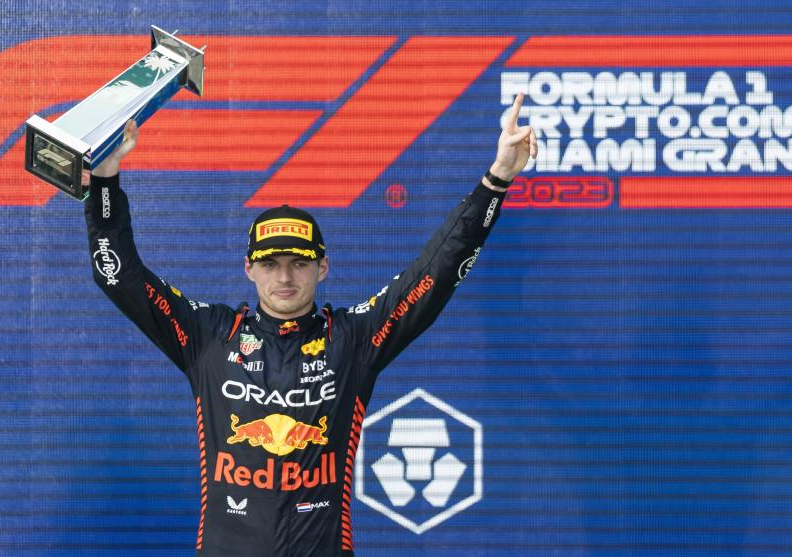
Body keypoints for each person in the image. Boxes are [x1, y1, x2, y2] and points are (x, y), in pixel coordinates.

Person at [84, 93, 536, 557]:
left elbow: (434, 273)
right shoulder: (210, 335)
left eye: (299, 263)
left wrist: (496, 180)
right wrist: (103, 179)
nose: (284, 277)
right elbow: (117, 274)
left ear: (323, 268)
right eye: (270, 263)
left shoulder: (353, 339)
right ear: (249, 269)